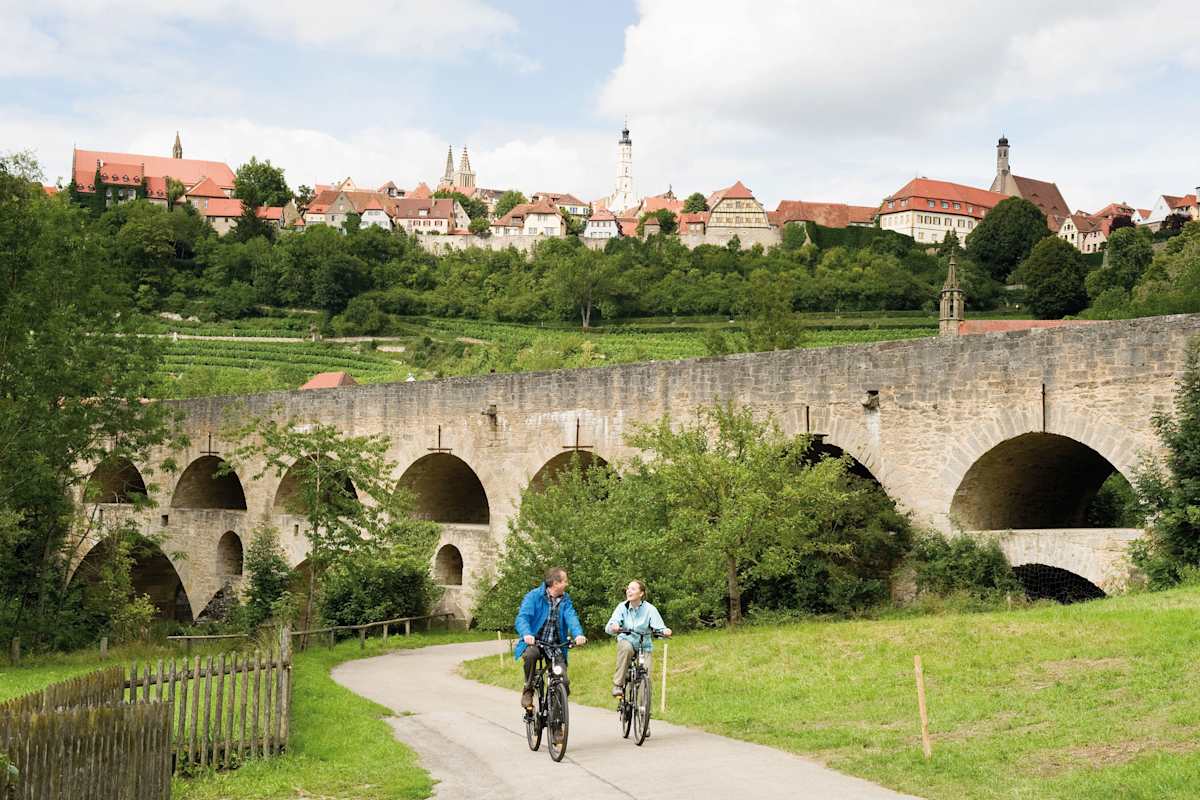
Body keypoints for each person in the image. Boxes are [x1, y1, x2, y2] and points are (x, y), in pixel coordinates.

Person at [514, 566, 587, 710]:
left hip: (555, 646)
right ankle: (528, 689)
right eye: (565, 581)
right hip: (536, 642)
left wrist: (578, 634)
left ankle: (556, 720)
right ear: (555, 583)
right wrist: (527, 634)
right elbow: (522, 618)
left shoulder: (565, 600)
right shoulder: (534, 596)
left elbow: (571, 617)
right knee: (530, 654)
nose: (567, 583)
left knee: (563, 682)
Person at [605, 579, 671, 698]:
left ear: (641, 593)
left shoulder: (650, 609)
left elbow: (659, 627)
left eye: (633, 589)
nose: (629, 591)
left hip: (644, 645)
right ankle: (618, 685)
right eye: (628, 589)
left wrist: (665, 631)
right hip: (627, 640)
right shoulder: (622, 607)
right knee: (626, 649)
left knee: (646, 674)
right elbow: (611, 625)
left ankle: (643, 706)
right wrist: (614, 627)